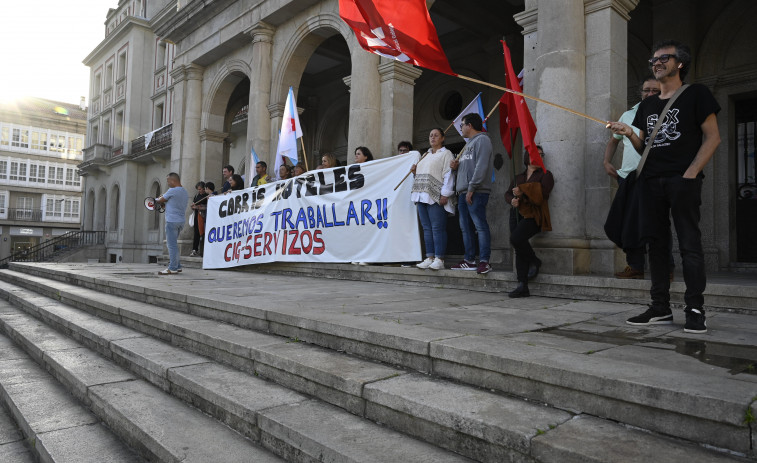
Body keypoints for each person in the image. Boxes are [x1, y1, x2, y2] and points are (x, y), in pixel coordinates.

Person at [608, 40, 721, 333]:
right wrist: (628, 132)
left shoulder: (697, 94)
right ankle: (660, 307)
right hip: (650, 181)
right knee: (656, 246)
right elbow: (645, 145)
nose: (656, 63)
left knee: (689, 245)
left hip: (682, 179)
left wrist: (691, 173)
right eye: (653, 60)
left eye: (663, 58)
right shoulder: (647, 105)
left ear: (679, 63)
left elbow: (713, 138)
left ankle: (695, 309)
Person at [604, 75, 667, 279]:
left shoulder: (666, 111)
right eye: (646, 90)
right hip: (628, 177)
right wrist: (607, 162)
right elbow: (614, 141)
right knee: (629, 222)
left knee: (658, 222)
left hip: (655, 175)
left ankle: (667, 268)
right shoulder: (628, 114)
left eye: (655, 91)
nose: (649, 94)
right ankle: (635, 266)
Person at [505, 146, 554, 297]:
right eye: (536, 154)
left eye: (541, 155)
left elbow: (543, 193)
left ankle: (534, 260)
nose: (540, 157)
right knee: (518, 246)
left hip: (534, 215)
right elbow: (507, 193)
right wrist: (512, 200)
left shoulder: (546, 175)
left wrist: (523, 192)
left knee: (516, 239)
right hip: (516, 214)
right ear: (527, 158)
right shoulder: (518, 177)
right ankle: (522, 285)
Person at [449, 113, 494, 274]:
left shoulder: (482, 140)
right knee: (465, 227)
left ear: (470, 125)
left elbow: (481, 166)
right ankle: (469, 260)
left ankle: (484, 261)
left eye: (462, 125)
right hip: (463, 192)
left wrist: (472, 188)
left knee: (480, 226)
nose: (460, 128)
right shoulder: (468, 145)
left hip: (476, 191)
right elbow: (467, 168)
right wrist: (456, 168)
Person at [411, 128, 455, 270]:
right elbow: (422, 174)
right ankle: (429, 257)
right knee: (426, 228)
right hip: (421, 195)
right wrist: (414, 172)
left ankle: (439, 258)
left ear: (442, 138)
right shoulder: (425, 155)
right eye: (430, 135)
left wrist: (445, 194)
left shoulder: (446, 153)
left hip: (435, 195)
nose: (433, 138)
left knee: (437, 228)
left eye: (436, 135)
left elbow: (448, 174)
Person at [155, 172, 189, 275]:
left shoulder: (172, 190)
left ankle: (172, 268)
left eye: (168, 181)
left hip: (171, 221)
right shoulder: (184, 191)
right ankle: (178, 266)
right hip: (181, 221)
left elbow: (159, 200)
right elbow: (172, 203)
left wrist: (157, 199)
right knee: (174, 244)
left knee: (172, 245)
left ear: (173, 181)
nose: (168, 183)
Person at [189, 181, 207, 257]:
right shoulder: (197, 196)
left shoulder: (207, 196)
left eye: (200, 189)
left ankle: (203, 250)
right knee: (196, 233)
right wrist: (193, 207)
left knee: (203, 233)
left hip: (204, 217)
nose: (199, 191)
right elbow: (194, 204)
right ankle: (194, 249)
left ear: (204, 188)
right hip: (197, 216)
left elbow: (208, 207)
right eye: (198, 189)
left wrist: (199, 207)